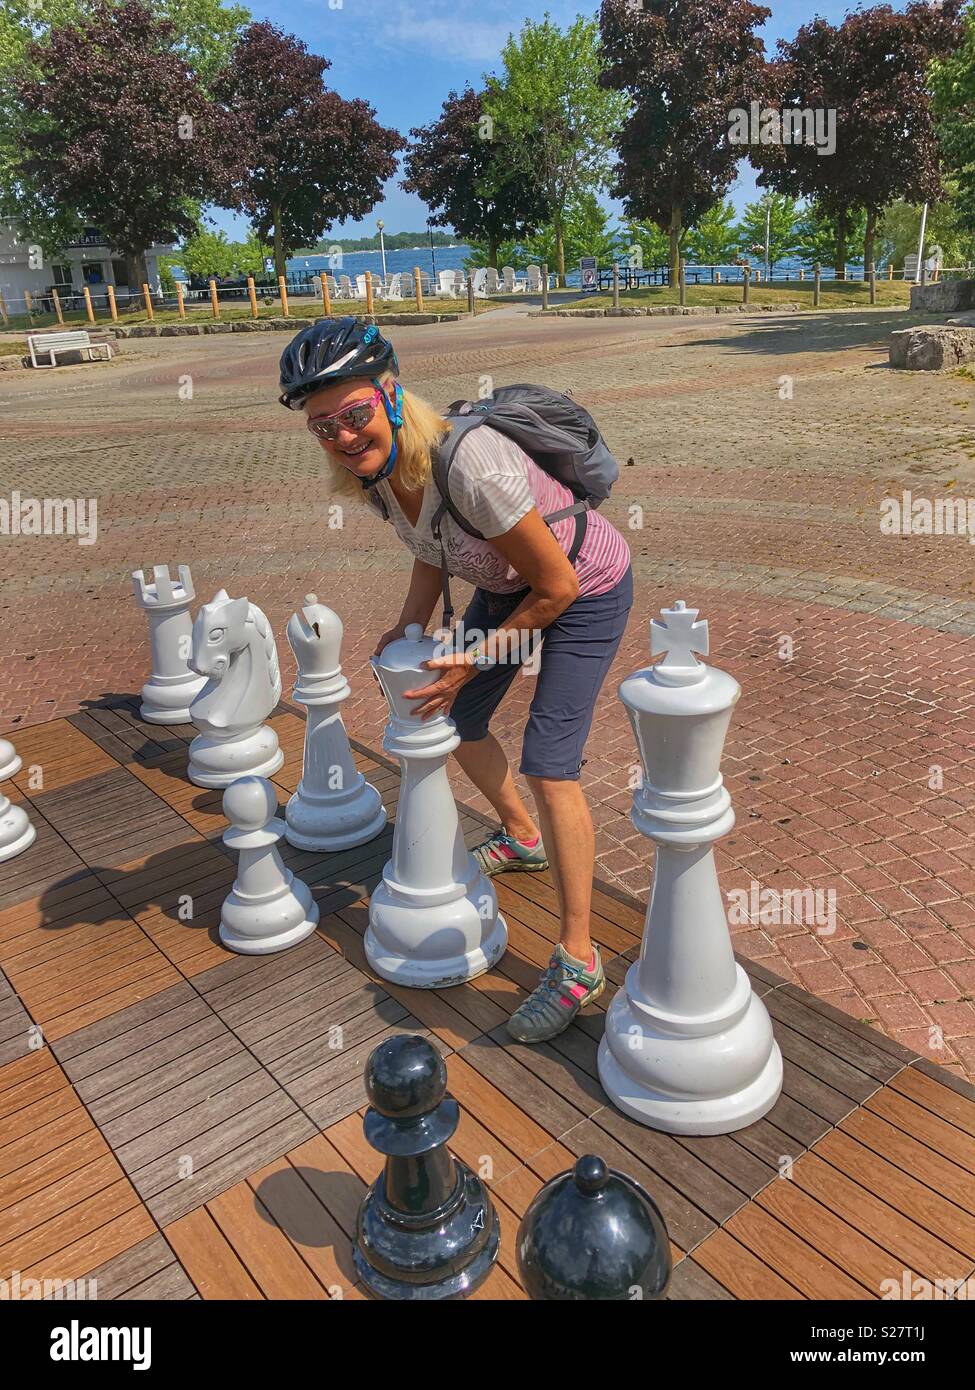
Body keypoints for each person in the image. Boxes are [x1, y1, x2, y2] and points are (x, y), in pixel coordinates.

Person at [279, 317, 633, 1043]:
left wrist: (471, 657)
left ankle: (576, 958)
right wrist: (408, 624)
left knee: (550, 760)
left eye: (354, 415)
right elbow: (430, 545)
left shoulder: (469, 463)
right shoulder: (375, 476)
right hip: (507, 583)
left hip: (583, 587)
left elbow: (556, 585)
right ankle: (522, 837)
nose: (343, 437)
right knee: (456, 721)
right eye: (324, 428)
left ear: (391, 395)